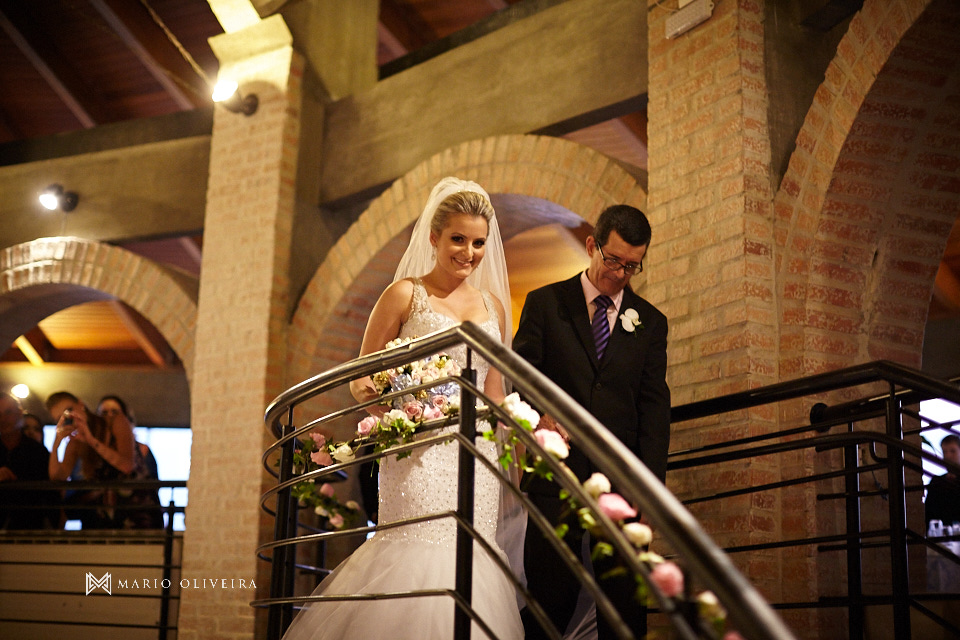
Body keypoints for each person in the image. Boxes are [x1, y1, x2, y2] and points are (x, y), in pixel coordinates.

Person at [281, 177, 522, 640]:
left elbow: (494, 389)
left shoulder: (494, 305)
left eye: (477, 243)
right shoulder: (404, 294)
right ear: (433, 237)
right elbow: (360, 378)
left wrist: (507, 447)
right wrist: (404, 405)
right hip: (418, 449)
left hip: (476, 452)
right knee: (416, 550)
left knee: (471, 558)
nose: (468, 253)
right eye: (457, 239)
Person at [513, 204, 671, 640]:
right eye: (613, 260)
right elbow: (519, 375)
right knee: (551, 599)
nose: (621, 274)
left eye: (632, 266)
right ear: (591, 245)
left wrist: (651, 491)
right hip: (555, 472)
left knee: (624, 606)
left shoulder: (651, 323)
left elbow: (654, 408)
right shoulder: (545, 303)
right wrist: (536, 415)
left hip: (621, 481)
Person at [47, 391, 162, 529]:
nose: (70, 418)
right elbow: (58, 477)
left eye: (69, 410)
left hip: (135, 513)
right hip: (101, 520)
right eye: (61, 418)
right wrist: (56, 443)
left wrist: (91, 440)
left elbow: (126, 466)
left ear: (80, 404)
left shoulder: (115, 421)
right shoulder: (75, 441)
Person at [0, 392, 53, 529]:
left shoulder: (38, 451)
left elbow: (49, 494)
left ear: (19, 414)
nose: (3, 419)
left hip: (30, 527)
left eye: (8, 412)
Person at [926, 434, 960, 529]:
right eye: (945, 452)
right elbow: (929, 513)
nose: (948, 456)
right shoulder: (936, 481)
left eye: (953, 451)